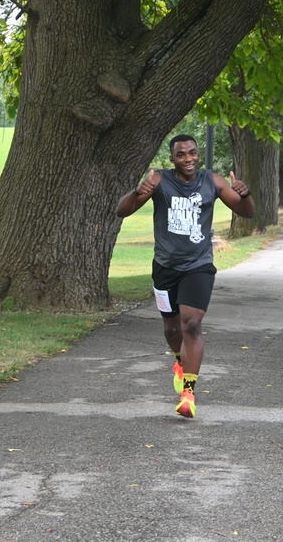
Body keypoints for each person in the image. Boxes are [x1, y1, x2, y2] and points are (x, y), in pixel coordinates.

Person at [115, 134, 255, 418]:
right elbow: (123, 210)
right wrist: (137, 190)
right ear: (173, 159)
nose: (188, 159)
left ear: (197, 154)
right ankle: (180, 360)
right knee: (172, 329)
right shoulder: (160, 181)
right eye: (182, 155)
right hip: (165, 267)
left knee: (191, 323)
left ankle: (188, 393)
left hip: (198, 265)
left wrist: (245, 193)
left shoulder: (212, 181)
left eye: (193, 153)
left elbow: (246, 212)